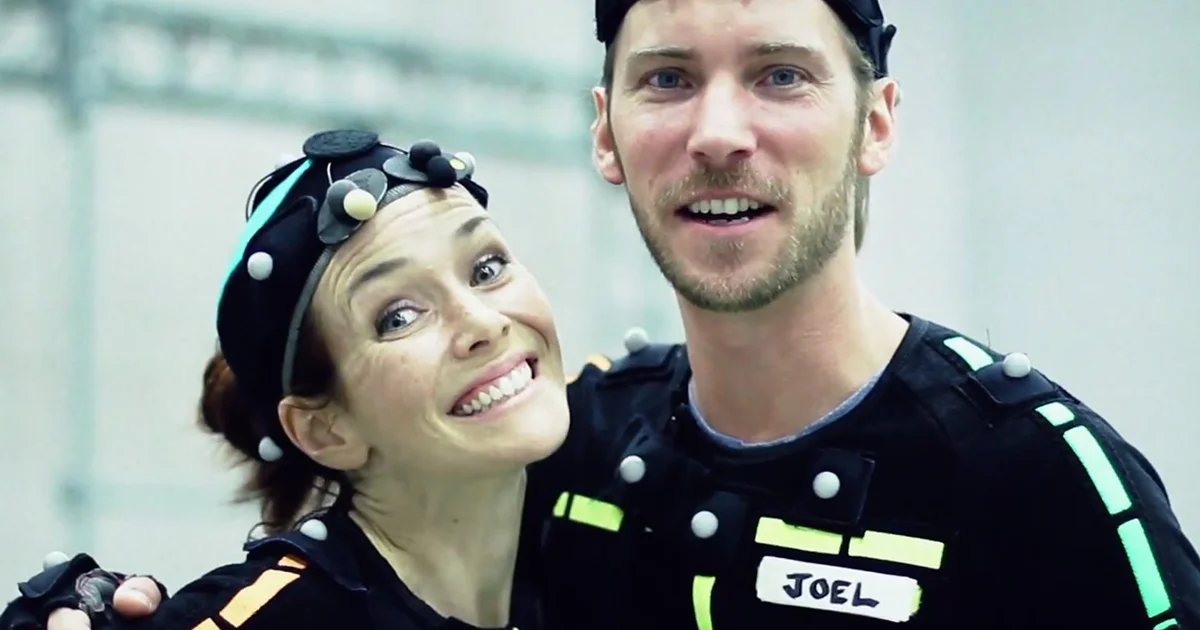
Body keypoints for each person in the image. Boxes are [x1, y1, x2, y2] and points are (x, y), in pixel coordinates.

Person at [9, 0, 1200, 628]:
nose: (719, 132)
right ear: (608, 132)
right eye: (668, 78)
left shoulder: (1040, 479)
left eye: (781, 74)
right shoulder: (572, 451)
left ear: (876, 120)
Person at [0, 130, 571, 629]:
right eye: (398, 316)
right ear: (324, 430)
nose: (484, 323)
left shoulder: (597, 531)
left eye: (487, 268)